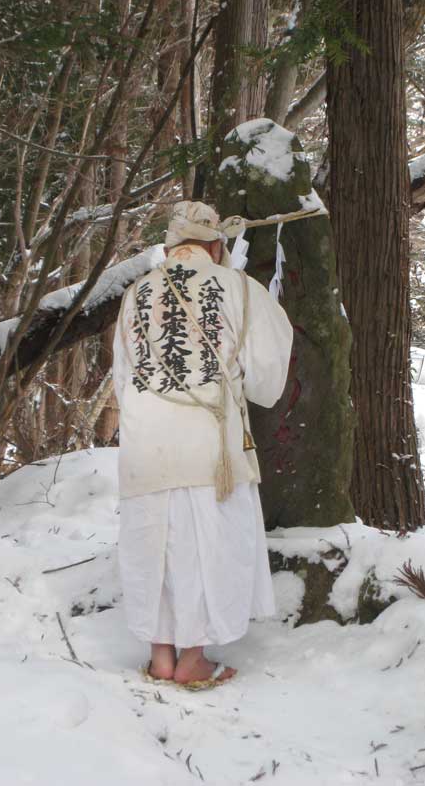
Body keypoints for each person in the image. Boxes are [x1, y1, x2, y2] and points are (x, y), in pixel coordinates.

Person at [112, 200, 293, 688]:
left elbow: (121, 377)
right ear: (216, 246)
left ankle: (161, 656)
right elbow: (266, 381)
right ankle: (192, 658)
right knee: (204, 545)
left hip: (146, 445)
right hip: (211, 449)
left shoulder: (135, 294)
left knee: (155, 543)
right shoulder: (239, 289)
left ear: (171, 248)